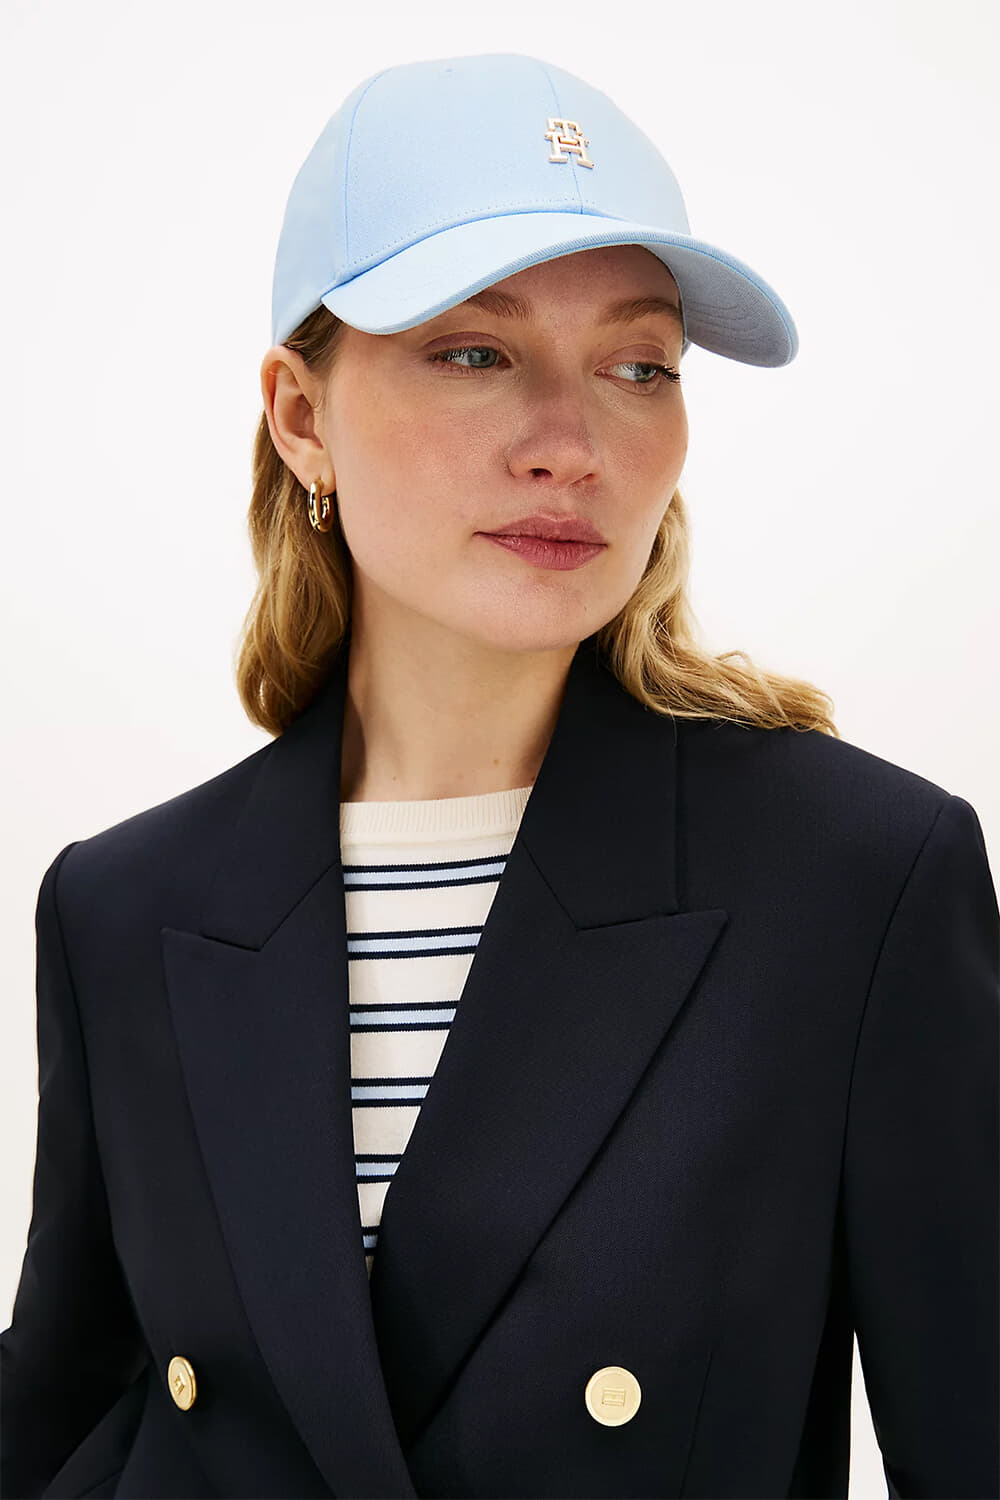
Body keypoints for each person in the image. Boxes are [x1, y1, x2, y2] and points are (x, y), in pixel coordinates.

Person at [1, 50, 996, 1500]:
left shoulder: (857, 882)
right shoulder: (123, 906)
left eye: (639, 366)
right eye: (475, 352)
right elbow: (61, 1421)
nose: (571, 448)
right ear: (300, 415)